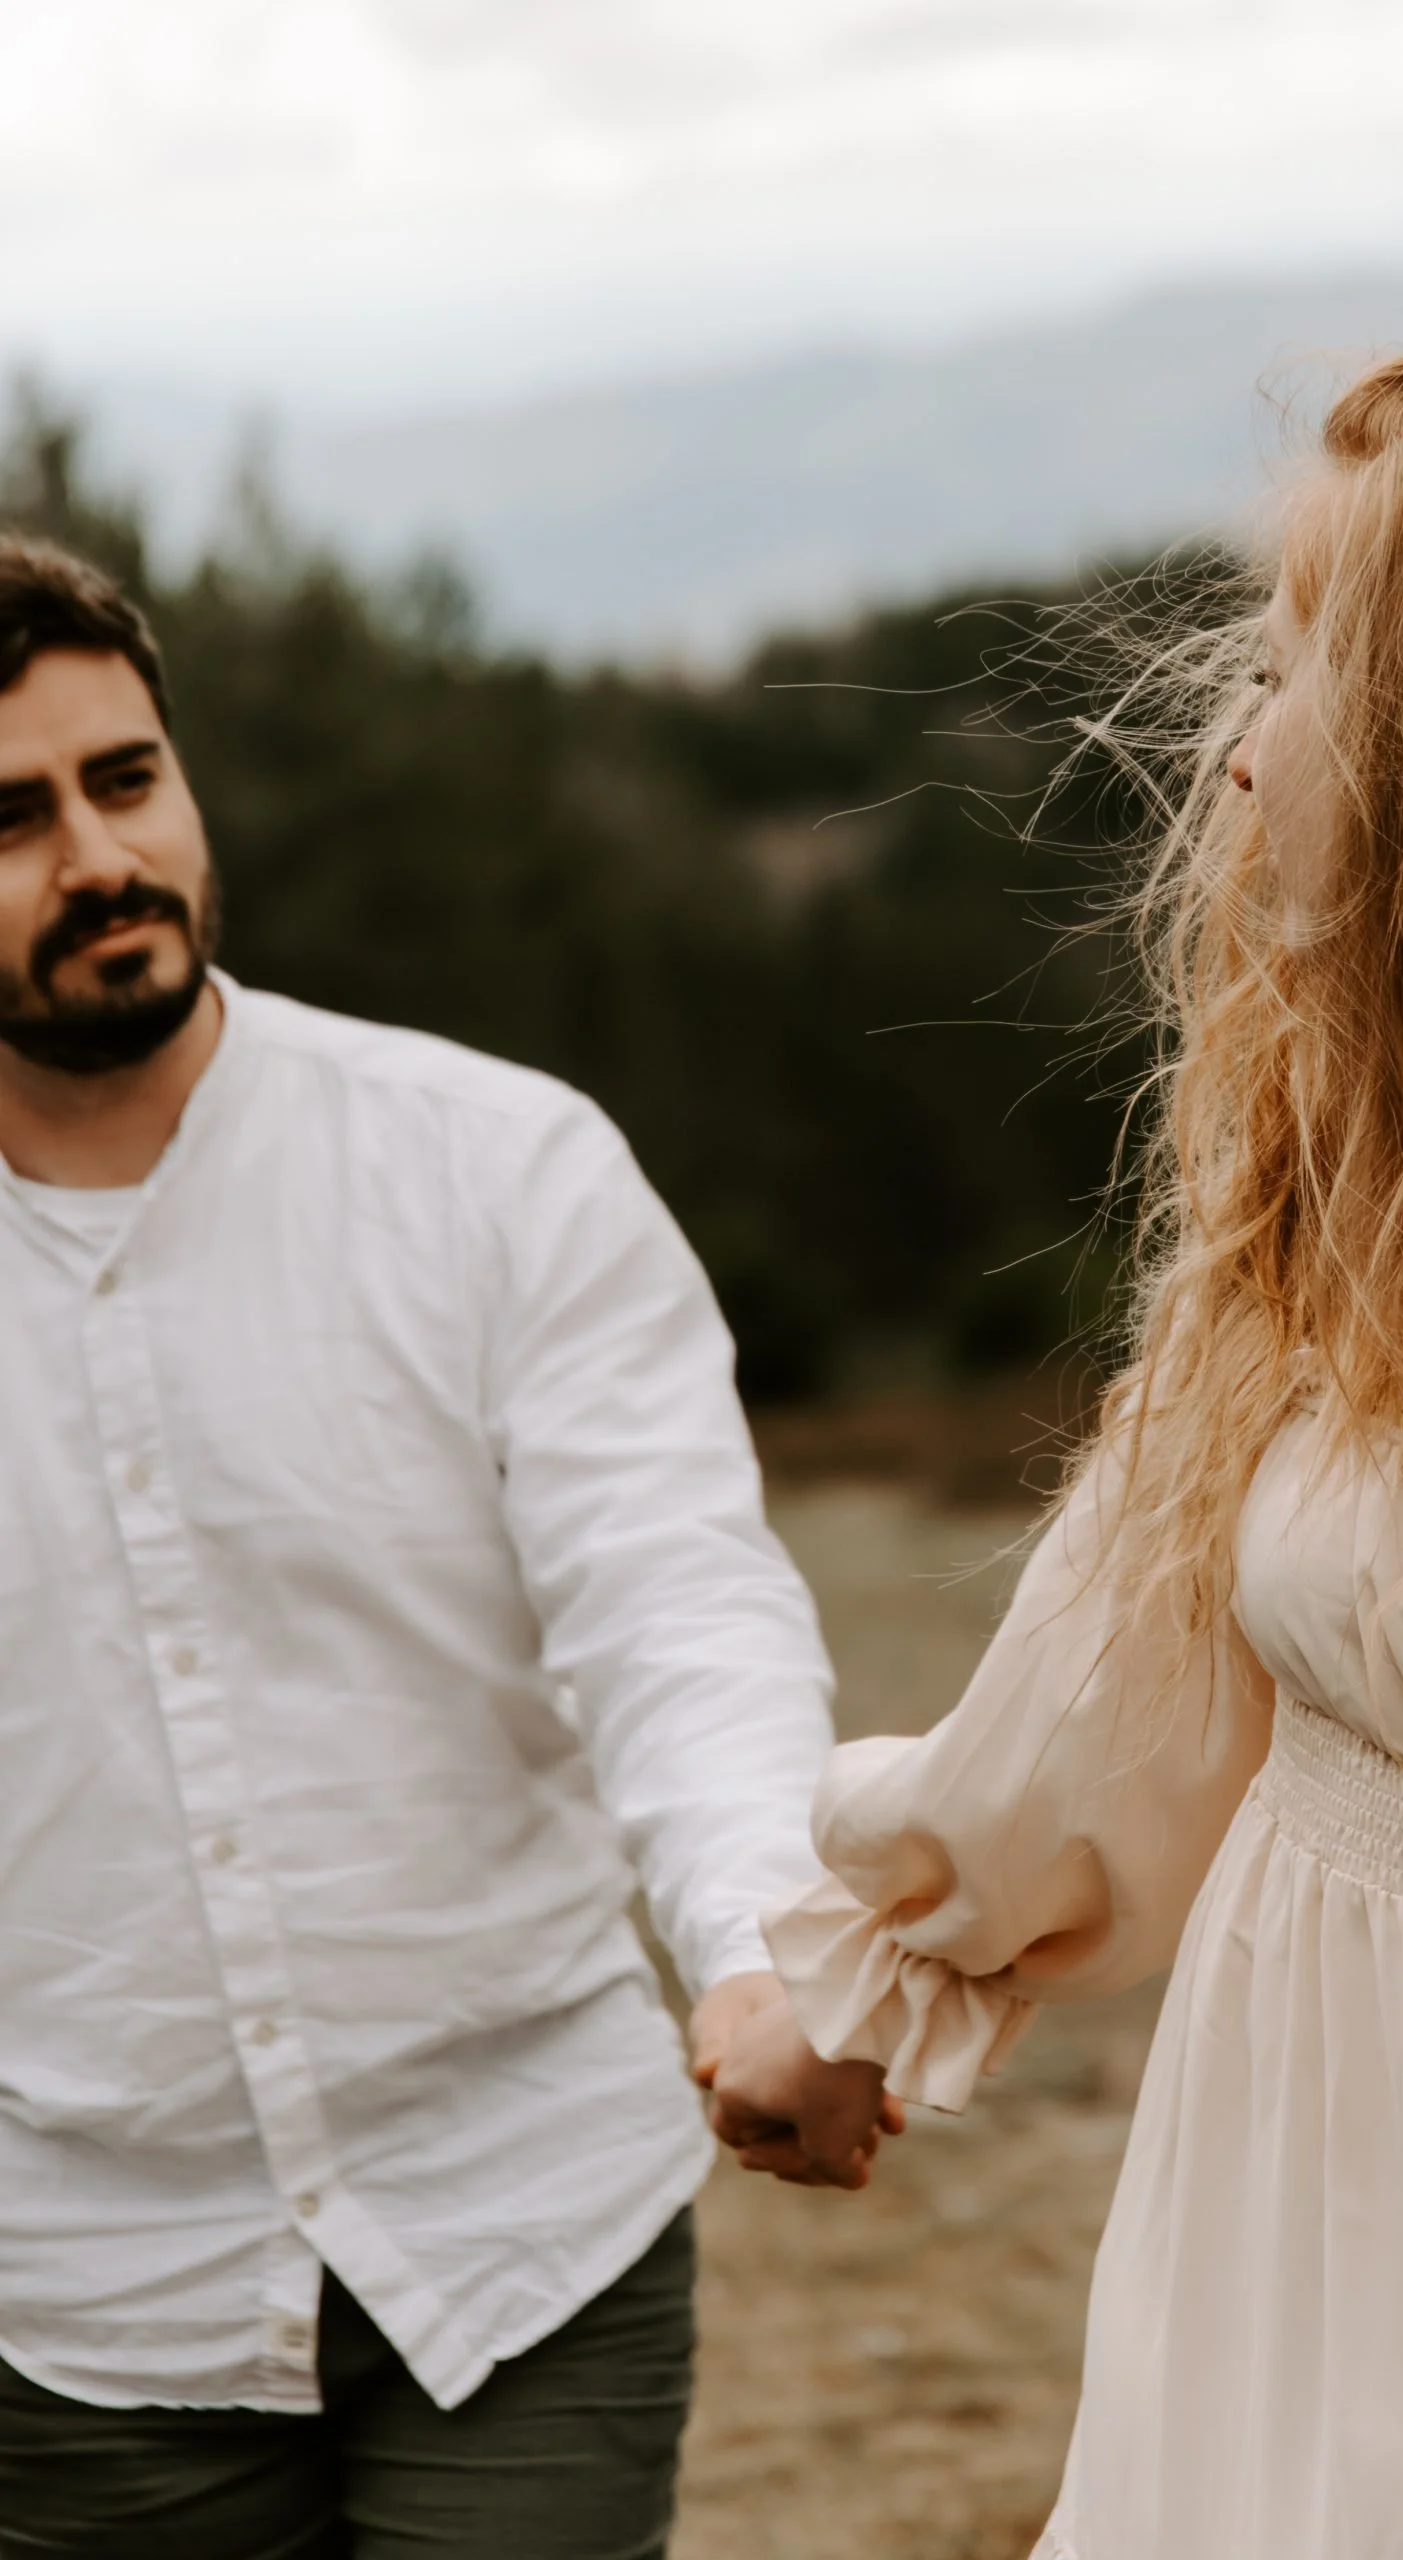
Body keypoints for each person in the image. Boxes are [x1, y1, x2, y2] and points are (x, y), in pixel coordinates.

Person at [710, 356, 1403, 2556]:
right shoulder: (1314, 1216)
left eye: (1308, 669)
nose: (1239, 747)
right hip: (1306, 2202)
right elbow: (1108, 1680)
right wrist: (873, 1983)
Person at [0, 532, 896, 2559]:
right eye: (12, 816)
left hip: (523, 2224)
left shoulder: (495, 1168)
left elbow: (669, 1601)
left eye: (123, 779)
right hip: (67, 2310)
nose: (94, 857)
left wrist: (768, 1954)